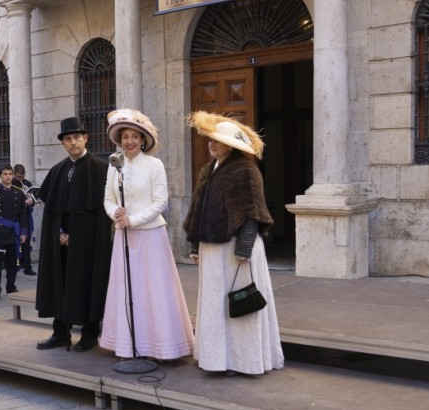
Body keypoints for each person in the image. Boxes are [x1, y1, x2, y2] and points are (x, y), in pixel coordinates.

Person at [184, 111, 284, 375]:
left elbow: (252, 210)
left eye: (217, 141)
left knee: (239, 305)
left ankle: (243, 362)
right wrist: (195, 246)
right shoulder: (209, 170)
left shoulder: (246, 170)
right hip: (212, 249)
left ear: (232, 144)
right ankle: (218, 359)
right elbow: (199, 210)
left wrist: (244, 247)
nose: (211, 144)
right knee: (216, 304)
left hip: (235, 248)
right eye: (210, 140)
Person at [100, 109, 194, 360]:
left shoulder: (154, 164)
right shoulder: (114, 165)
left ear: (143, 140)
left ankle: (158, 346)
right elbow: (108, 198)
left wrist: (134, 219)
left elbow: (160, 202)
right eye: (125, 137)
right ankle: (128, 343)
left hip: (151, 236)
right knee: (127, 289)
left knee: (152, 290)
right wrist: (116, 214)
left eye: (135, 136)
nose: (130, 141)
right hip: (124, 236)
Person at [35, 117, 113, 352]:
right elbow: (52, 209)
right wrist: (59, 233)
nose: (73, 142)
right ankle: (60, 332)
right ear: (63, 143)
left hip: (88, 244)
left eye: (77, 137)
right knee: (60, 284)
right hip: (61, 244)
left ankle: (89, 334)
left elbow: (101, 214)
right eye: (68, 139)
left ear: (85, 138)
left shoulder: (101, 169)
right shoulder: (58, 170)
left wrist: (77, 236)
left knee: (88, 283)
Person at [0, 165, 28, 301]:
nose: (8, 176)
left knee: (12, 262)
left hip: (13, 232)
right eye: (5, 174)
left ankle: (11, 286)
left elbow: (22, 214)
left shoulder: (19, 192)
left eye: (10, 174)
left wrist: (24, 232)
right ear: (0, 175)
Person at [12, 164, 37, 276]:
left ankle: (28, 266)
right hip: (14, 217)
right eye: (18, 177)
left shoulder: (27, 184)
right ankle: (12, 264)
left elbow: (34, 198)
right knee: (12, 242)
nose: (20, 179)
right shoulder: (11, 184)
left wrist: (31, 200)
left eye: (22, 177)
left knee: (26, 242)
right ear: (14, 174)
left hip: (25, 216)